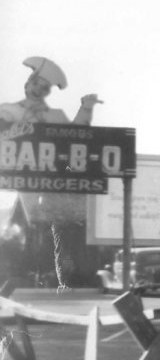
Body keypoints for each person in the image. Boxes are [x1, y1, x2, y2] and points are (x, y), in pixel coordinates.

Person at [0, 57, 102, 290]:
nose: (38, 90)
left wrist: (86, 108)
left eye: (44, 87)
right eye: (36, 83)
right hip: (22, 183)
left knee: (58, 235)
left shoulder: (55, 116)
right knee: (17, 232)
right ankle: (18, 278)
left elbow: (74, 138)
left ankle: (58, 279)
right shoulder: (7, 110)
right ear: (28, 83)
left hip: (49, 188)